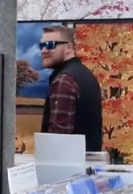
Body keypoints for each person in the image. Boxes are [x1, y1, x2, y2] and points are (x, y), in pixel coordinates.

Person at [38, 25, 104, 153]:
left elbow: (58, 136)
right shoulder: (85, 74)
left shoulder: (64, 80)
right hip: (86, 161)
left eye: (51, 44)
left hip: (68, 166)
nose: (44, 50)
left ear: (68, 47)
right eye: (42, 45)